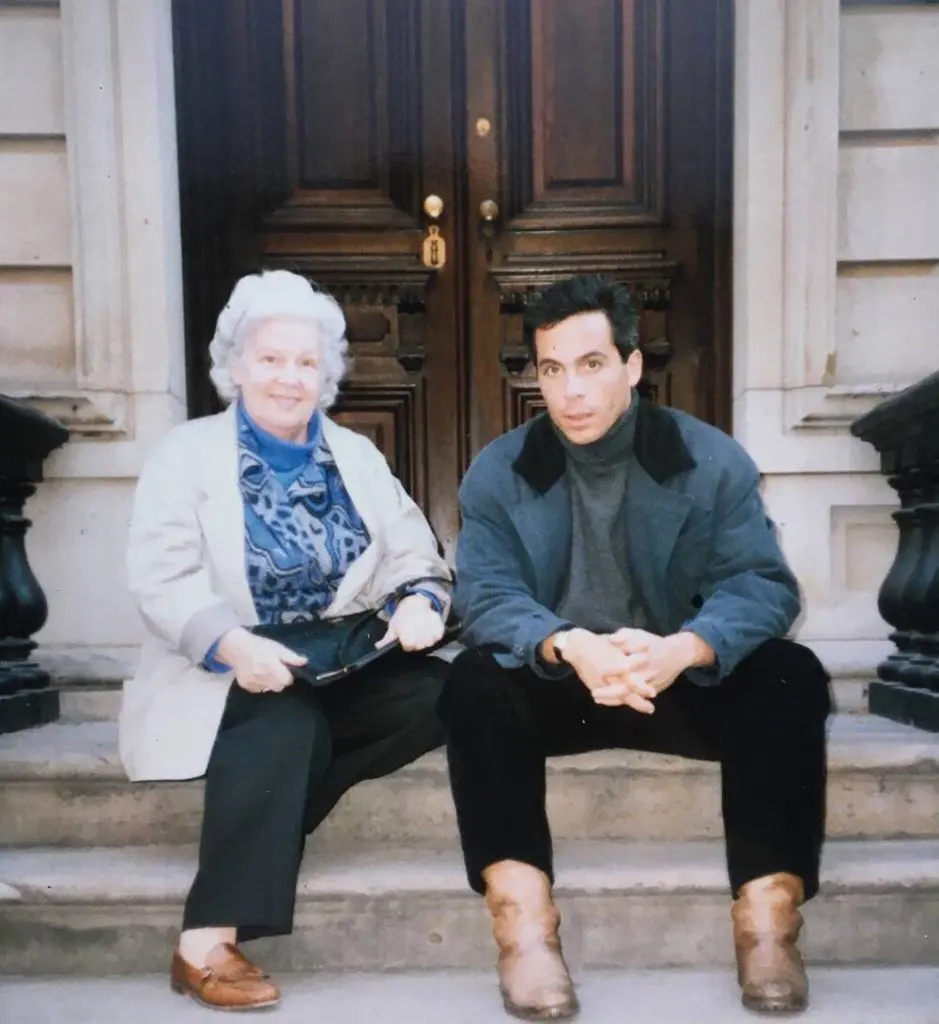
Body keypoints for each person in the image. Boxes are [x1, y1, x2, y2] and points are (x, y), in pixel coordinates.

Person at [437, 274, 831, 1019]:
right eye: (550, 370)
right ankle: (523, 929)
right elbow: (484, 596)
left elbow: (762, 584)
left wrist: (687, 647)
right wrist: (563, 644)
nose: (569, 392)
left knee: (791, 674)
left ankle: (767, 923)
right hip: (564, 683)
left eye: (590, 365)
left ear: (631, 365)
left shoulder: (709, 460)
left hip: (677, 681)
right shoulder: (500, 470)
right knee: (472, 683)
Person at [121, 269, 452, 1010]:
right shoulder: (186, 453)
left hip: (341, 657)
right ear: (235, 368)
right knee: (284, 718)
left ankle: (263, 815)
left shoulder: (355, 455)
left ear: (326, 376)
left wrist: (421, 602)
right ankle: (203, 939)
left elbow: (413, 553)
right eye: (270, 359)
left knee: (449, 690)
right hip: (227, 662)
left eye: (306, 363)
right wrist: (235, 647)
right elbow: (160, 578)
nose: (288, 378)